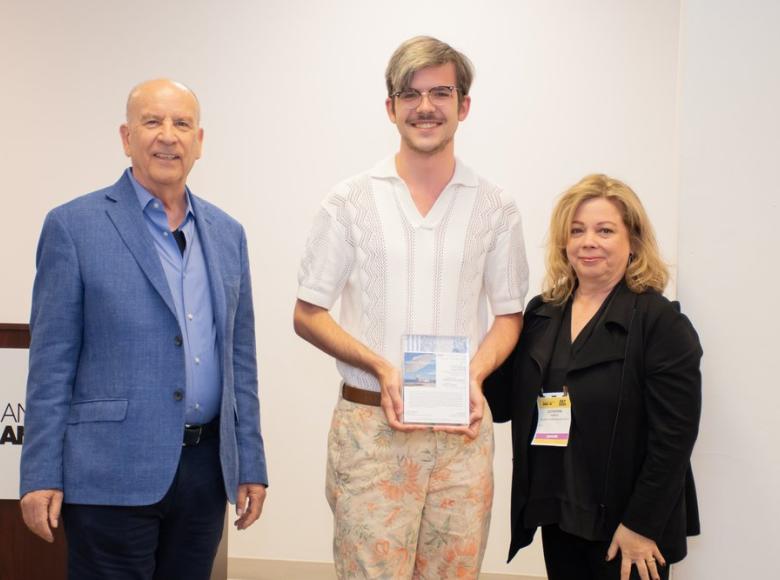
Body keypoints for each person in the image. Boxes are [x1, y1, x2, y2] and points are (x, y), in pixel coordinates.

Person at [294, 36, 529, 578]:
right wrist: (380, 366)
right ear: (391, 108)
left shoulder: (496, 206)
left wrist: (475, 373)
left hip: (461, 435)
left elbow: (509, 315)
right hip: (371, 429)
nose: (426, 107)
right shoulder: (348, 201)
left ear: (463, 105)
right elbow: (307, 313)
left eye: (440, 93)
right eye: (410, 94)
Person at [19, 79, 268, 580]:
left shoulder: (227, 234)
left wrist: (251, 463)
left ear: (199, 141)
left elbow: (240, 359)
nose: (167, 136)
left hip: (203, 472)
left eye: (181, 124)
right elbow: (50, 365)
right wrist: (39, 474)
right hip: (110, 472)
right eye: (152, 122)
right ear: (126, 136)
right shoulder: (73, 227)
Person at [485, 174, 702, 580]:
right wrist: (492, 322)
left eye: (605, 230)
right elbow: (501, 404)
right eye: (577, 230)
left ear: (633, 241)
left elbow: (674, 439)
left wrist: (641, 524)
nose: (589, 242)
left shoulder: (660, 322)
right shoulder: (542, 313)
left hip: (627, 530)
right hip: (557, 512)